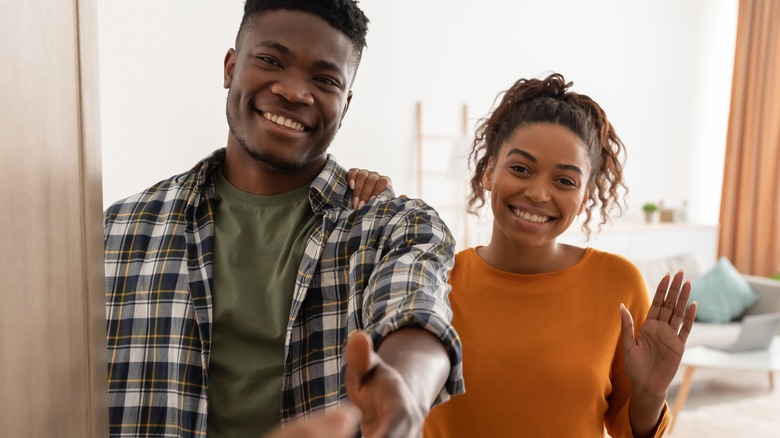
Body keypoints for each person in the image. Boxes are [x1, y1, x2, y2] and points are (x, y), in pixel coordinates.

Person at [103, 1, 463, 437]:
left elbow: (417, 309)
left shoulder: (394, 226)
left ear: (344, 106)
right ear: (230, 67)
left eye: (324, 79)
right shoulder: (119, 231)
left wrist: (405, 389)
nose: (294, 91)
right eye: (271, 60)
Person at [422, 73, 696, 437]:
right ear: (489, 172)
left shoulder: (618, 284)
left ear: (584, 198)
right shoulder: (436, 280)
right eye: (521, 169)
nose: (538, 193)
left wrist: (650, 394)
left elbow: (629, 430)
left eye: (564, 180)